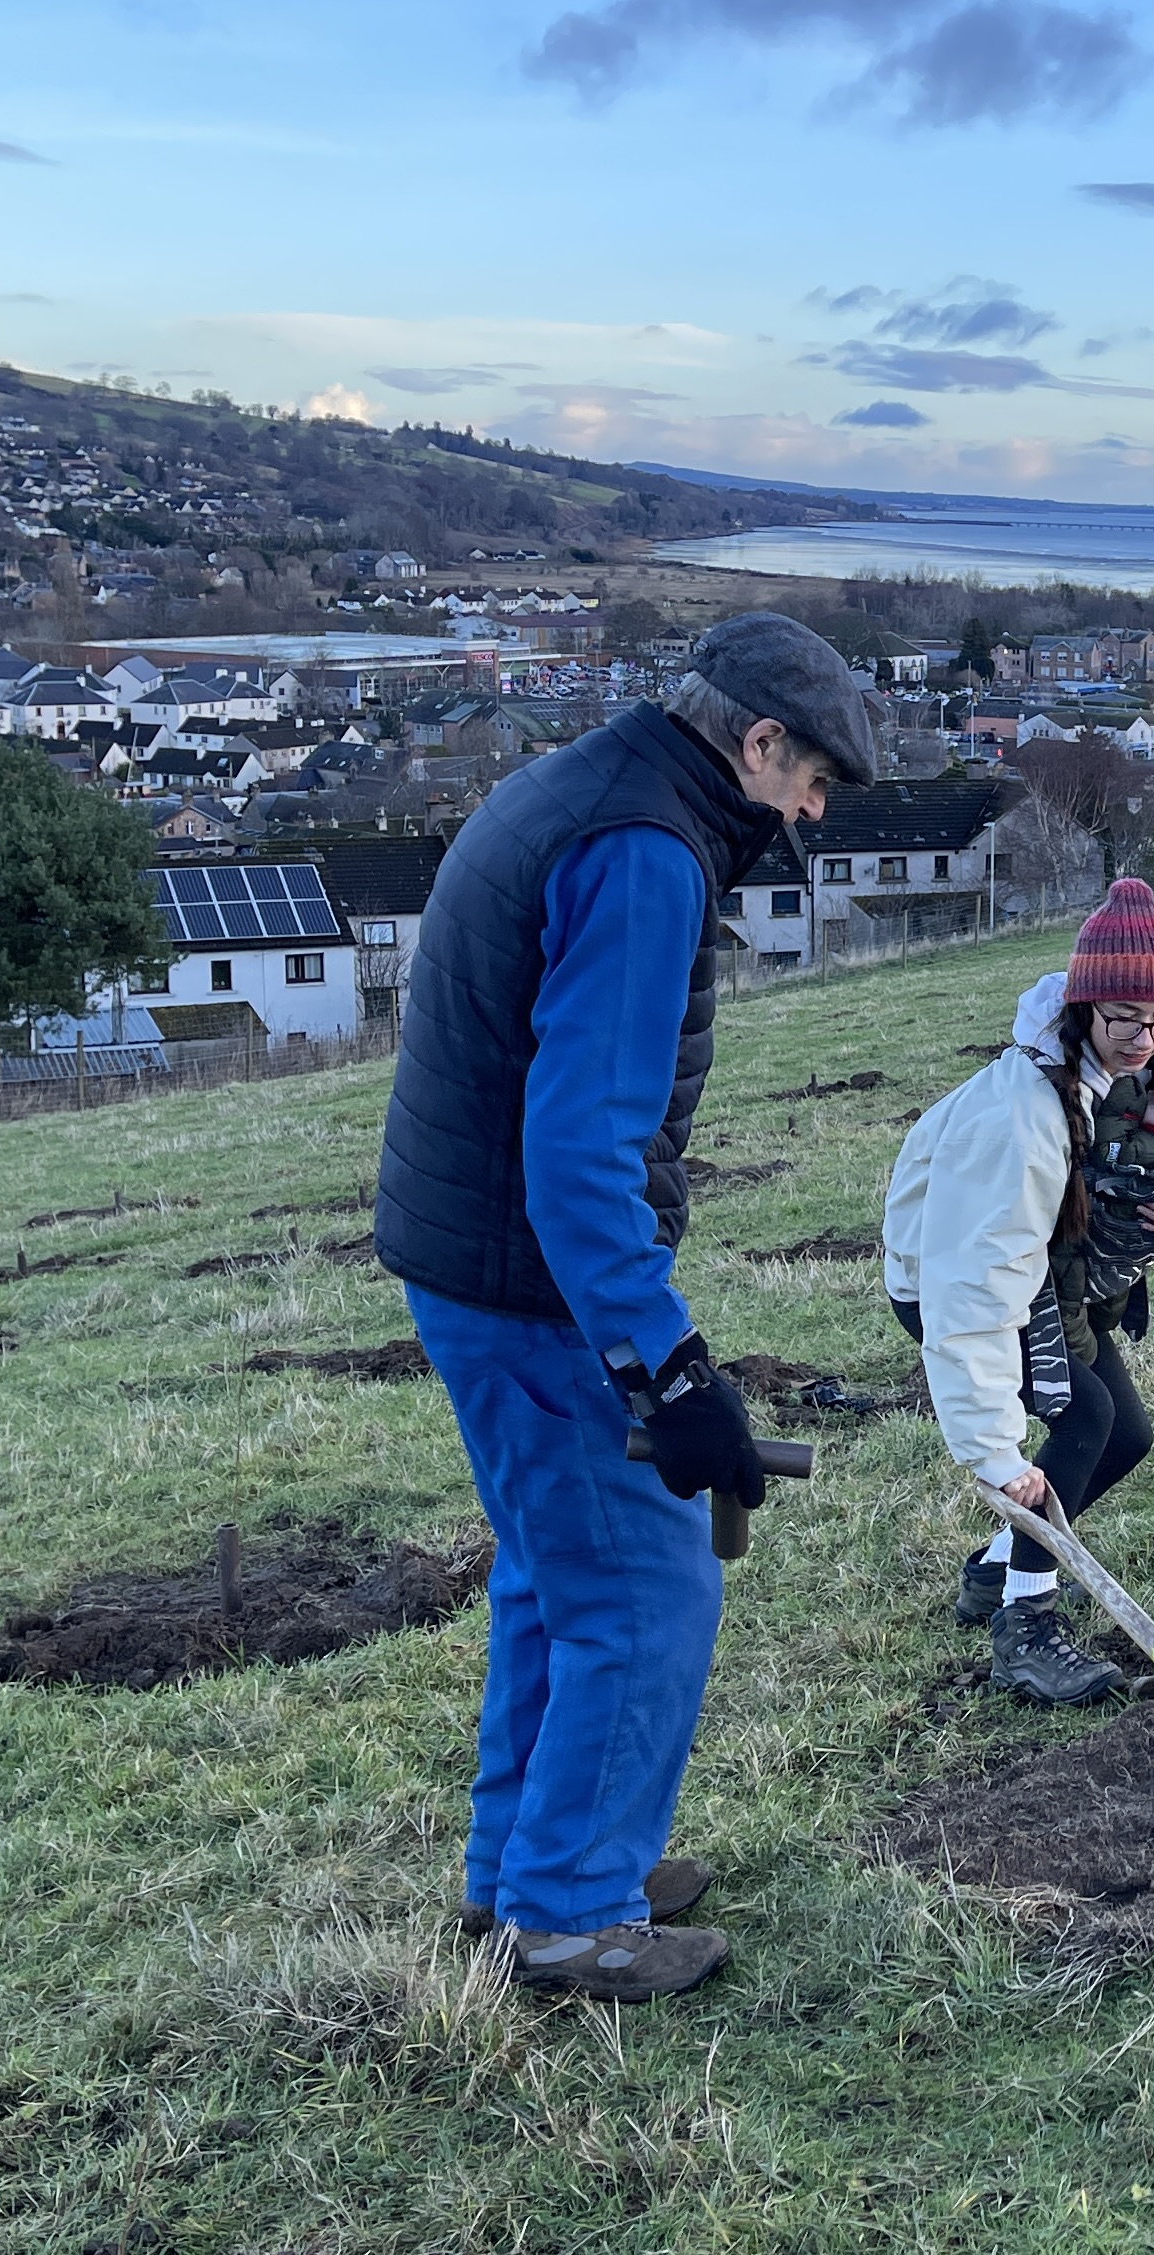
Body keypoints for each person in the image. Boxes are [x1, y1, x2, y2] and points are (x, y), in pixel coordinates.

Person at [372, 611, 873, 2003]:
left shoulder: (592, 780)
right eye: (814, 783)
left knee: (552, 1574)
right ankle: (573, 1910)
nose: (813, 813)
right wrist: (670, 1365)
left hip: (468, 1259)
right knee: (646, 1591)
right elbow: (581, 1152)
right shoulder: (645, 858)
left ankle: (523, 1866)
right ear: (757, 744)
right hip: (528, 1280)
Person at [883, 879, 1154, 1703]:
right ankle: (1027, 1629)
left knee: (1125, 1434)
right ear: (1083, 1007)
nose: (1144, 1038)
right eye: (1124, 1017)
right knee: (1084, 1416)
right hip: (951, 1282)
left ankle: (995, 1570)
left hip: (1050, 1279)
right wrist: (996, 1454)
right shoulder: (1022, 1117)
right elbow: (974, 1291)